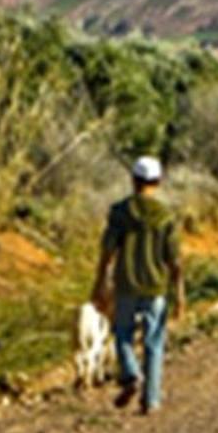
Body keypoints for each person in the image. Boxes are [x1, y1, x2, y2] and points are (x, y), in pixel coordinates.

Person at [92, 155, 184, 414]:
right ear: (157, 181)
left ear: (133, 180)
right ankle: (151, 400)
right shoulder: (166, 216)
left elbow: (107, 251)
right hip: (155, 287)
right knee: (154, 342)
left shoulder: (120, 213)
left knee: (122, 334)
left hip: (126, 285)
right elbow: (174, 259)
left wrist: (100, 282)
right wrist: (179, 292)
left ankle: (131, 373)